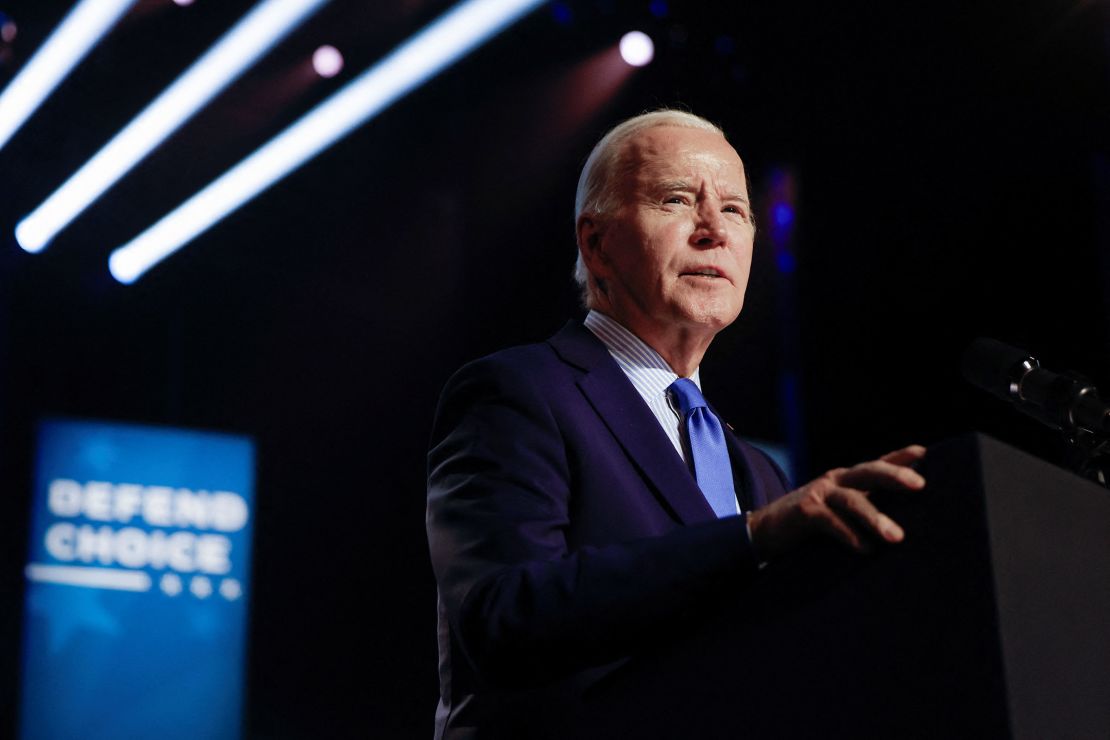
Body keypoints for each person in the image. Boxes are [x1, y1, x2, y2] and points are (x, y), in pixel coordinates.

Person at [425, 110, 926, 739]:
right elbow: (505, 618)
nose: (714, 230)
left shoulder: (760, 472)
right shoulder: (519, 393)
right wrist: (751, 539)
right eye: (676, 200)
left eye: (737, 211)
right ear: (597, 244)